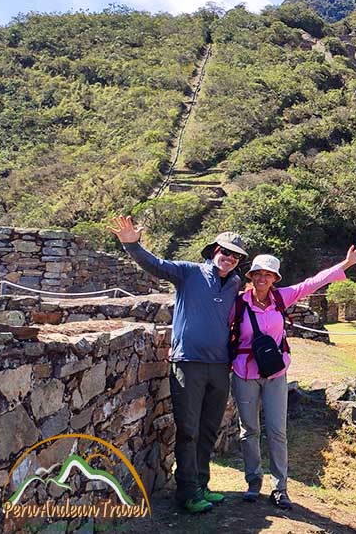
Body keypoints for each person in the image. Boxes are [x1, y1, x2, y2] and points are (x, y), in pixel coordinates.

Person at [108, 215, 247, 514]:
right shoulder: (189, 273)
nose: (230, 259)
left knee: (209, 429)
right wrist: (132, 245)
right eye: (225, 252)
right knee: (189, 430)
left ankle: (202, 485)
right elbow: (156, 265)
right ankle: (186, 493)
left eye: (236, 256)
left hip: (220, 366)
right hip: (188, 363)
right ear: (213, 251)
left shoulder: (235, 283)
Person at [231, 244, 356, 509]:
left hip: (275, 373)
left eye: (268, 275)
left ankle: (279, 488)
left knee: (277, 431)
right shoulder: (237, 303)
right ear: (251, 276)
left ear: (274, 279)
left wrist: (346, 264)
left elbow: (313, 282)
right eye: (258, 273)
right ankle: (253, 482)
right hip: (244, 372)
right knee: (249, 430)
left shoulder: (282, 297)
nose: (262, 278)